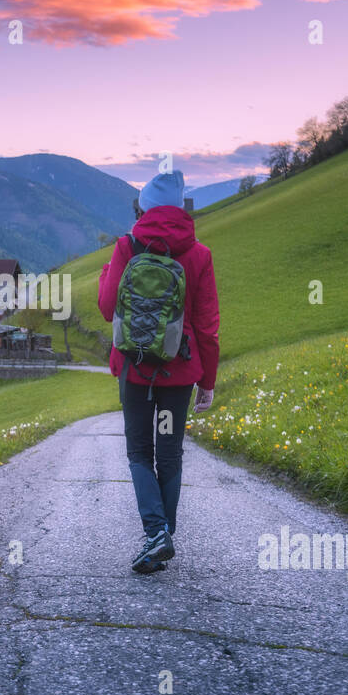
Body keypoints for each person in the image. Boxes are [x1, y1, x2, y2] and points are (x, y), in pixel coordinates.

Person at [98, 170, 219, 573]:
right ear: (181, 207)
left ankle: (155, 534)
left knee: (138, 452)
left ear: (144, 206)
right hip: (179, 374)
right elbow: (206, 325)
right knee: (169, 455)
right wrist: (208, 381)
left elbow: (105, 307)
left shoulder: (126, 246)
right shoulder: (199, 254)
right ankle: (162, 535)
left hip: (134, 371)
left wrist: (105, 275)